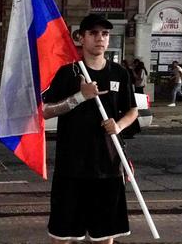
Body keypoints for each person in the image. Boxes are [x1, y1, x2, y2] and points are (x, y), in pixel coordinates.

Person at [43, 14, 138, 244]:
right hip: (71, 167)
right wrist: (79, 96)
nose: (100, 38)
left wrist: (119, 125)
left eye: (104, 34)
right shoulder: (69, 72)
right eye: (93, 33)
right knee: (63, 235)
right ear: (81, 38)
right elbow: (46, 110)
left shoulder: (119, 73)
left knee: (105, 235)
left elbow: (132, 111)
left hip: (108, 166)